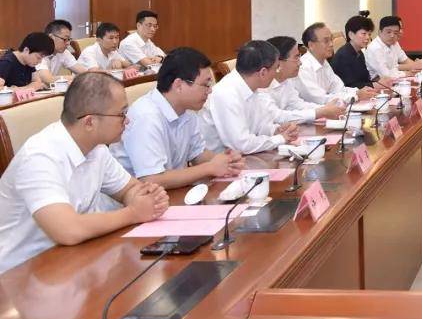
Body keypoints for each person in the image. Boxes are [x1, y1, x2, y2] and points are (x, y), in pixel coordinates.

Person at [0, 72, 169, 273]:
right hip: (19, 273)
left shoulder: (97, 149)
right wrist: (134, 212)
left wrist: (146, 198)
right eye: (122, 114)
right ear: (89, 122)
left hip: (70, 259)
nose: (128, 121)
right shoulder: (40, 156)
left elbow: (129, 189)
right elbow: (68, 230)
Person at [112, 47, 244, 189]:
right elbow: (152, 179)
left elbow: (198, 154)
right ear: (179, 85)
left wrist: (227, 162)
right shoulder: (146, 117)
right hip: (137, 198)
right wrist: (210, 168)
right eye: (205, 85)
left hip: (172, 193)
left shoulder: (187, 112)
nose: (210, 90)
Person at [201, 40, 299, 154]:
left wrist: (276, 130)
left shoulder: (253, 86)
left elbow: (259, 126)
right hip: (220, 161)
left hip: (244, 157)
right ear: (263, 73)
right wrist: (280, 138)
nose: (276, 73)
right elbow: (241, 145)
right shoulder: (226, 93)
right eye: (276, 68)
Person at [260, 36, 348, 124]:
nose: (300, 62)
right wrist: (321, 112)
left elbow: (298, 105)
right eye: (296, 57)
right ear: (278, 63)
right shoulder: (262, 86)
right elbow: (277, 117)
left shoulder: (286, 81)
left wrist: (325, 109)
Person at [298, 22, 360, 103]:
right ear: (311, 45)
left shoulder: (324, 62)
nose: (331, 44)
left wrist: (357, 92)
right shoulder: (303, 67)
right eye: (326, 41)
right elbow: (321, 99)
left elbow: (338, 88)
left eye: (331, 39)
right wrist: (354, 96)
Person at [363, 16, 422, 82]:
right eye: (388, 32)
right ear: (380, 32)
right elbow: (385, 75)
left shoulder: (394, 43)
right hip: (378, 82)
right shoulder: (375, 48)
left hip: (394, 80)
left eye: (395, 33)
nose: (392, 35)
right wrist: (408, 73)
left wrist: (418, 65)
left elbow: (405, 60)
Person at [330, 13, 378, 95]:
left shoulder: (359, 52)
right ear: (351, 35)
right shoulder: (343, 56)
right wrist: (374, 85)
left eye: (369, 34)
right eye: (364, 34)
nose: (368, 37)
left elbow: (365, 79)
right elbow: (350, 85)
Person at [34, 20, 89, 84]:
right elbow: (48, 79)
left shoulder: (63, 52)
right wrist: (74, 78)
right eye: (65, 39)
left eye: (69, 39)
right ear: (51, 37)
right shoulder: (38, 52)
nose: (68, 43)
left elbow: (84, 72)